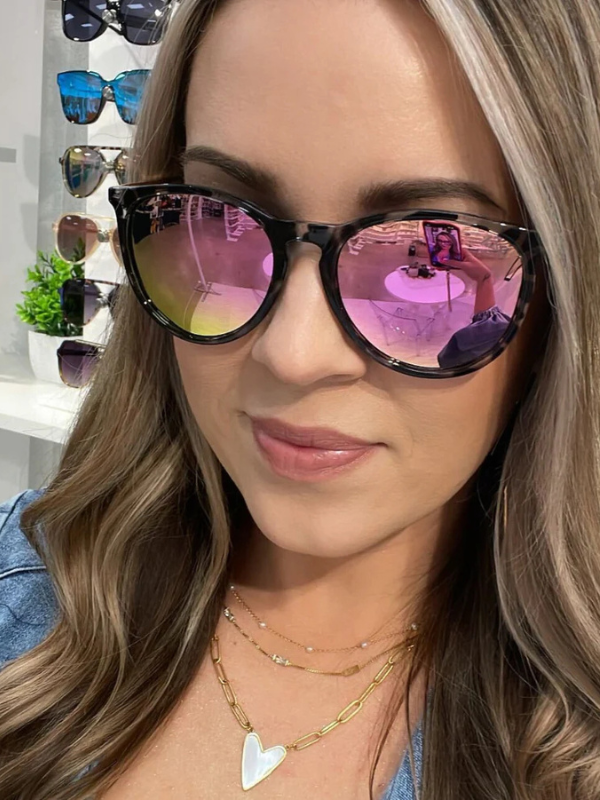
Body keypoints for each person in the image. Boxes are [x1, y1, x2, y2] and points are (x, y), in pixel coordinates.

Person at [1, 2, 600, 800]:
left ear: (567, 295)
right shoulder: (29, 584)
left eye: (427, 260)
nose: (294, 354)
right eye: (219, 219)